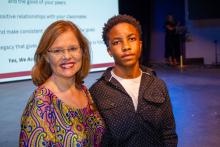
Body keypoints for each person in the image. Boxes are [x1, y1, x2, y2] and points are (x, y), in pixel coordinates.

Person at [89, 14, 178, 146]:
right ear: (109, 50)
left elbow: (169, 134)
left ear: (140, 45)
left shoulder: (158, 85)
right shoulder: (97, 91)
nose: (126, 47)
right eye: (117, 42)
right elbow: (98, 140)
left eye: (131, 39)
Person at [19, 20, 105, 146]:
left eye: (73, 48)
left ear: (82, 51)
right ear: (46, 56)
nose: (66, 56)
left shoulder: (84, 91)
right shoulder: (40, 103)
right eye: (57, 51)